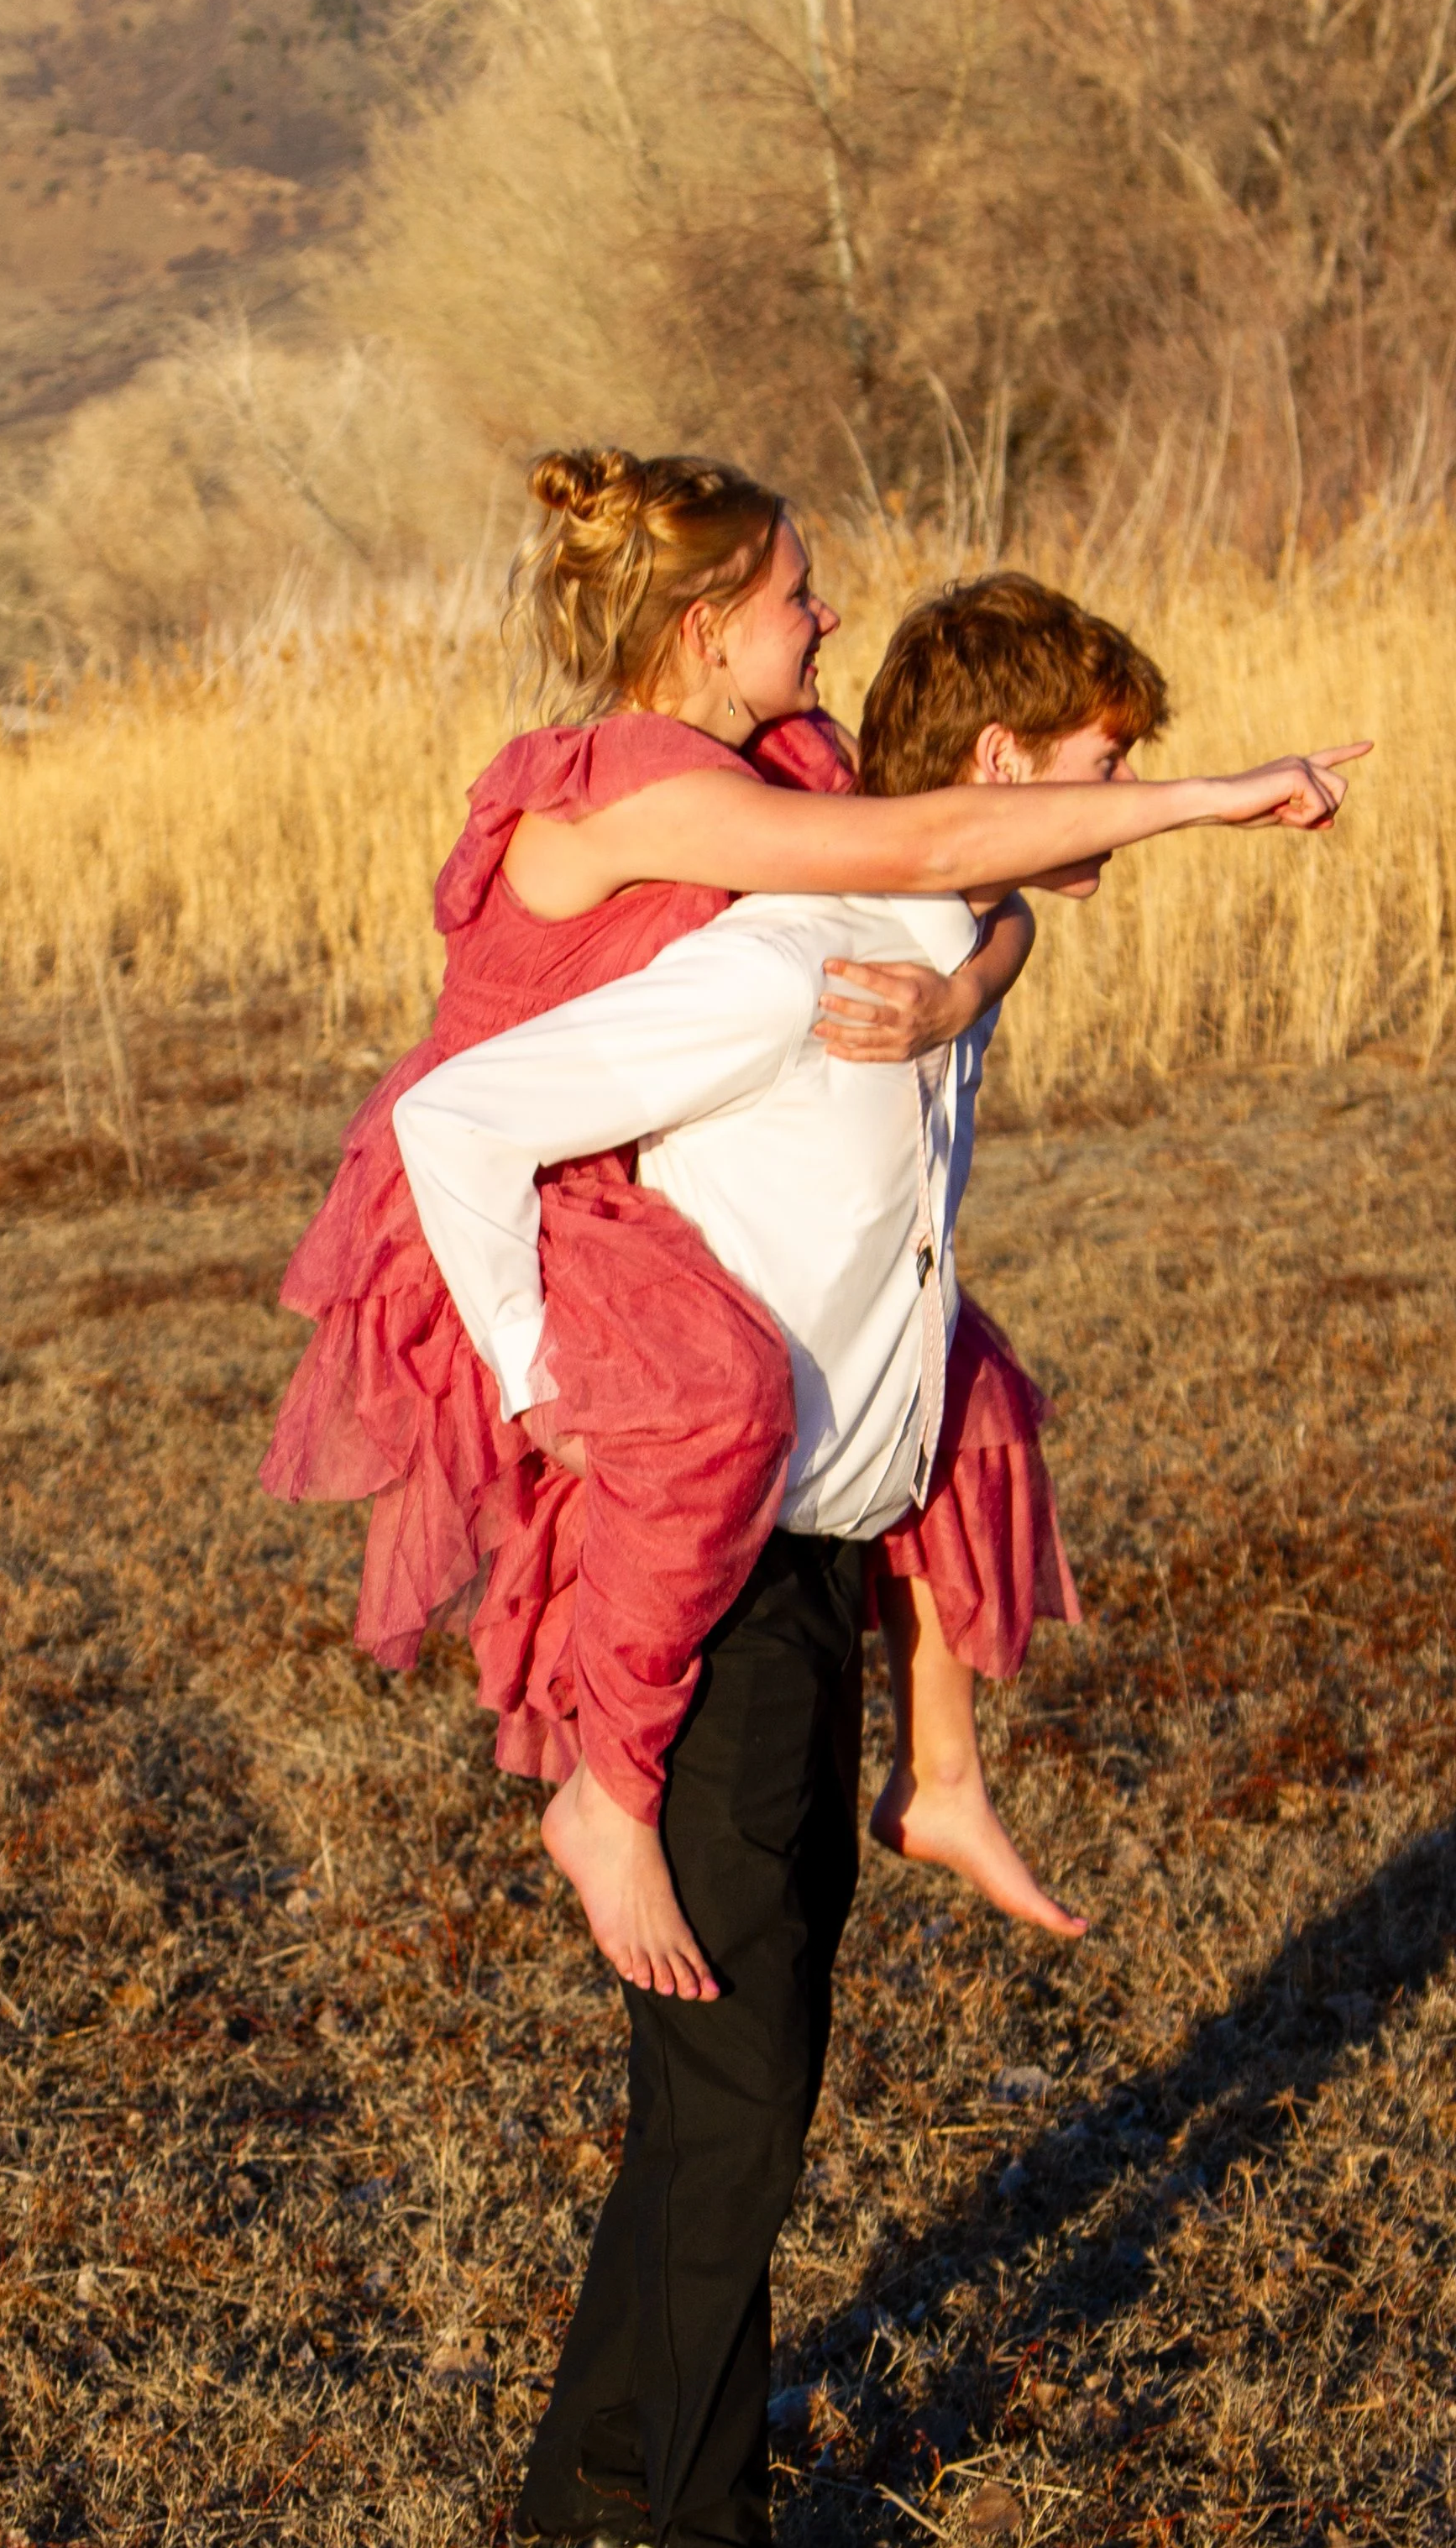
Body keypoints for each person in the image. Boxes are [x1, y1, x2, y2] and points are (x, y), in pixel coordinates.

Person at [390, 578, 1363, 2548]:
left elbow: (984, 904)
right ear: (1001, 769)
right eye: (1099, 765)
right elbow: (455, 1122)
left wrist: (971, 976)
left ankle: (585, 2497)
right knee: (739, 2085)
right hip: (711, 1574)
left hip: (817, 1561)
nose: (1114, 795)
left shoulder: (937, 951)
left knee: (732, 2061)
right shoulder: (783, 961)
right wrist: (543, 1381)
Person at [262, 448, 1357, 2005]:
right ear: (708, 626)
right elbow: (934, 850)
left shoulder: (785, 759)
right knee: (718, 1397)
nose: (828, 614)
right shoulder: (629, 789)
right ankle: (609, 1797)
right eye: (797, 593)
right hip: (534, 1180)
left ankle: (943, 1771)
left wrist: (959, 994)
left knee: (949, 1359)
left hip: (624, 1137)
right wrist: (1218, 796)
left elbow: (975, 887)